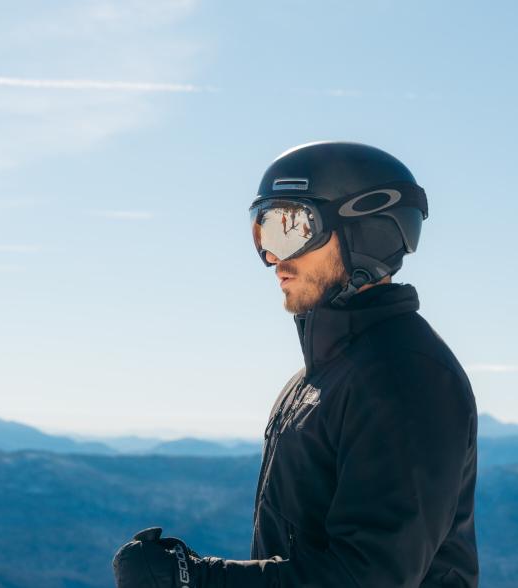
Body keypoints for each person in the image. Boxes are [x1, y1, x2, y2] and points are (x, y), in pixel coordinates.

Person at [112, 141, 479, 587]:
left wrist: (196, 581)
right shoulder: (316, 379)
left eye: (291, 230)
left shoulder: (407, 377)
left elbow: (369, 577)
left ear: (365, 233)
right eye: (263, 232)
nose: (273, 258)